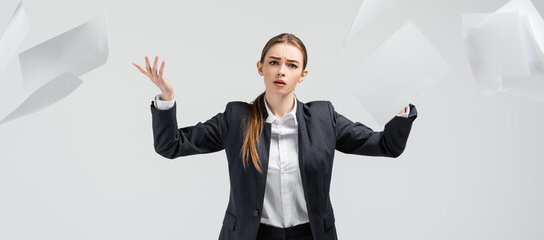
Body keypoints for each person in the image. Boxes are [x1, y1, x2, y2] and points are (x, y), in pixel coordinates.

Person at [133, 33, 417, 240]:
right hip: (252, 235)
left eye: (292, 65)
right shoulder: (236, 119)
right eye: (274, 62)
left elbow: (386, 145)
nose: (282, 70)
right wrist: (166, 99)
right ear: (261, 68)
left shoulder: (323, 118)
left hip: (312, 235)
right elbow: (171, 145)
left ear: (302, 75)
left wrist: (400, 108)